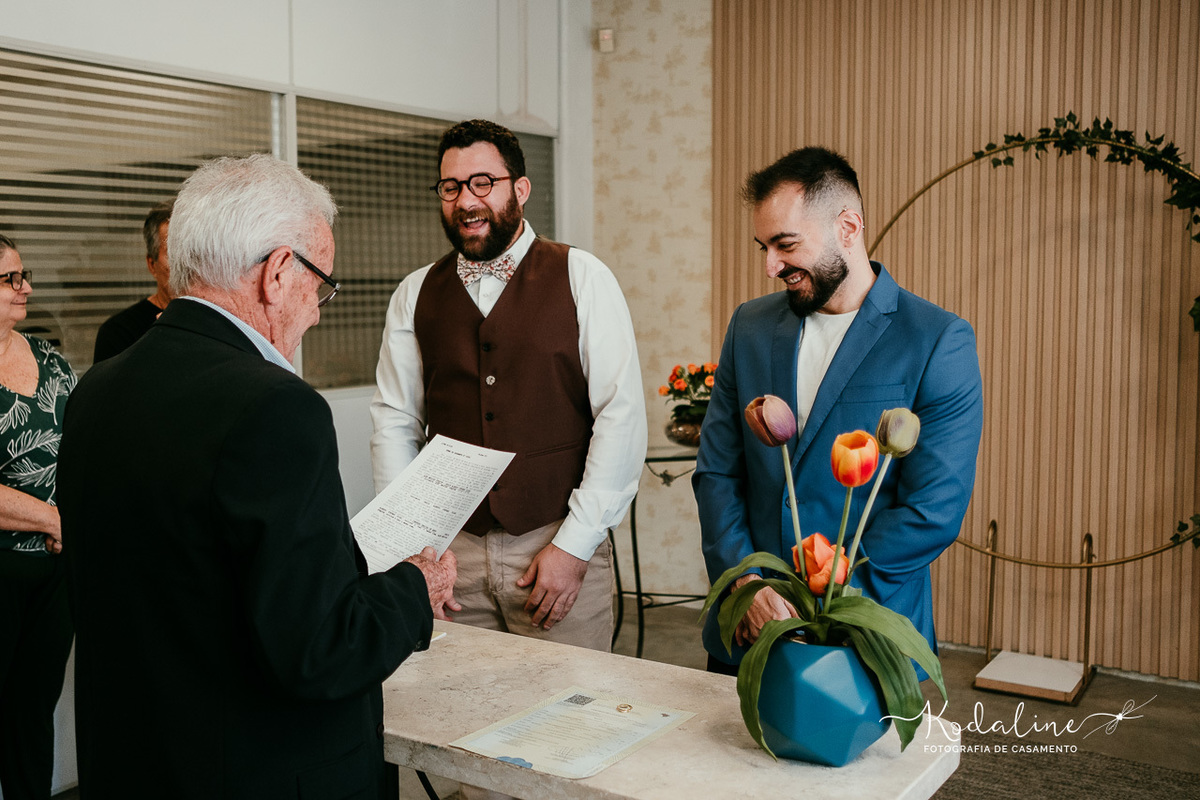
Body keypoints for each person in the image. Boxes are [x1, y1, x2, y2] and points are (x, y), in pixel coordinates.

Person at [57, 154, 458, 800]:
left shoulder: (96, 392)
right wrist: (415, 586)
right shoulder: (278, 409)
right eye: (320, 284)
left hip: (133, 765)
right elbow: (319, 648)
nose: (319, 312)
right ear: (277, 272)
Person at [694, 147, 983, 674]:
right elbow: (717, 471)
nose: (770, 266)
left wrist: (824, 606)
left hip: (867, 633)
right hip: (748, 628)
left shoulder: (938, 339)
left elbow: (932, 510)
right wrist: (745, 583)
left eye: (785, 244)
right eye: (763, 247)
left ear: (848, 227)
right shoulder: (749, 327)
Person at [371, 119, 646, 652]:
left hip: (555, 541)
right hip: (451, 551)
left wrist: (575, 546)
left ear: (519, 188)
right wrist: (413, 547)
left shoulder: (583, 276)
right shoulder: (414, 293)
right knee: (455, 711)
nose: (465, 200)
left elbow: (620, 416)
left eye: (482, 182)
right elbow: (395, 420)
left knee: (570, 718)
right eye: (450, 187)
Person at [0, 234, 76, 800]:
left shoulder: (49, 358)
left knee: (33, 710)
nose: (25, 288)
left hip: (55, 573)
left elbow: (84, 446)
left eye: (24, 276)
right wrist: (52, 520)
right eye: (10, 279)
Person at [93, 199, 174, 361]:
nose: (185, 264)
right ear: (152, 264)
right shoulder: (119, 333)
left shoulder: (217, 320)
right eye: (173, 253)